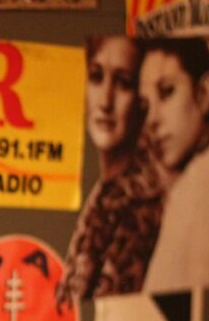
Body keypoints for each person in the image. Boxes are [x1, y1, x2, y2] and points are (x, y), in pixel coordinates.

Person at [58, 36, 167, 302]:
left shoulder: (140, 207)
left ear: (143, 100)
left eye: (123, 83)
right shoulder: (106, 192)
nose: (105, 101)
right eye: (96, 77)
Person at [138, 37, 209, 293]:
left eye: (167, 91)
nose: (152, 120)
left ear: (204, 93)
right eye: (145, 105)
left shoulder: (204, 184)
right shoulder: (187, 184)